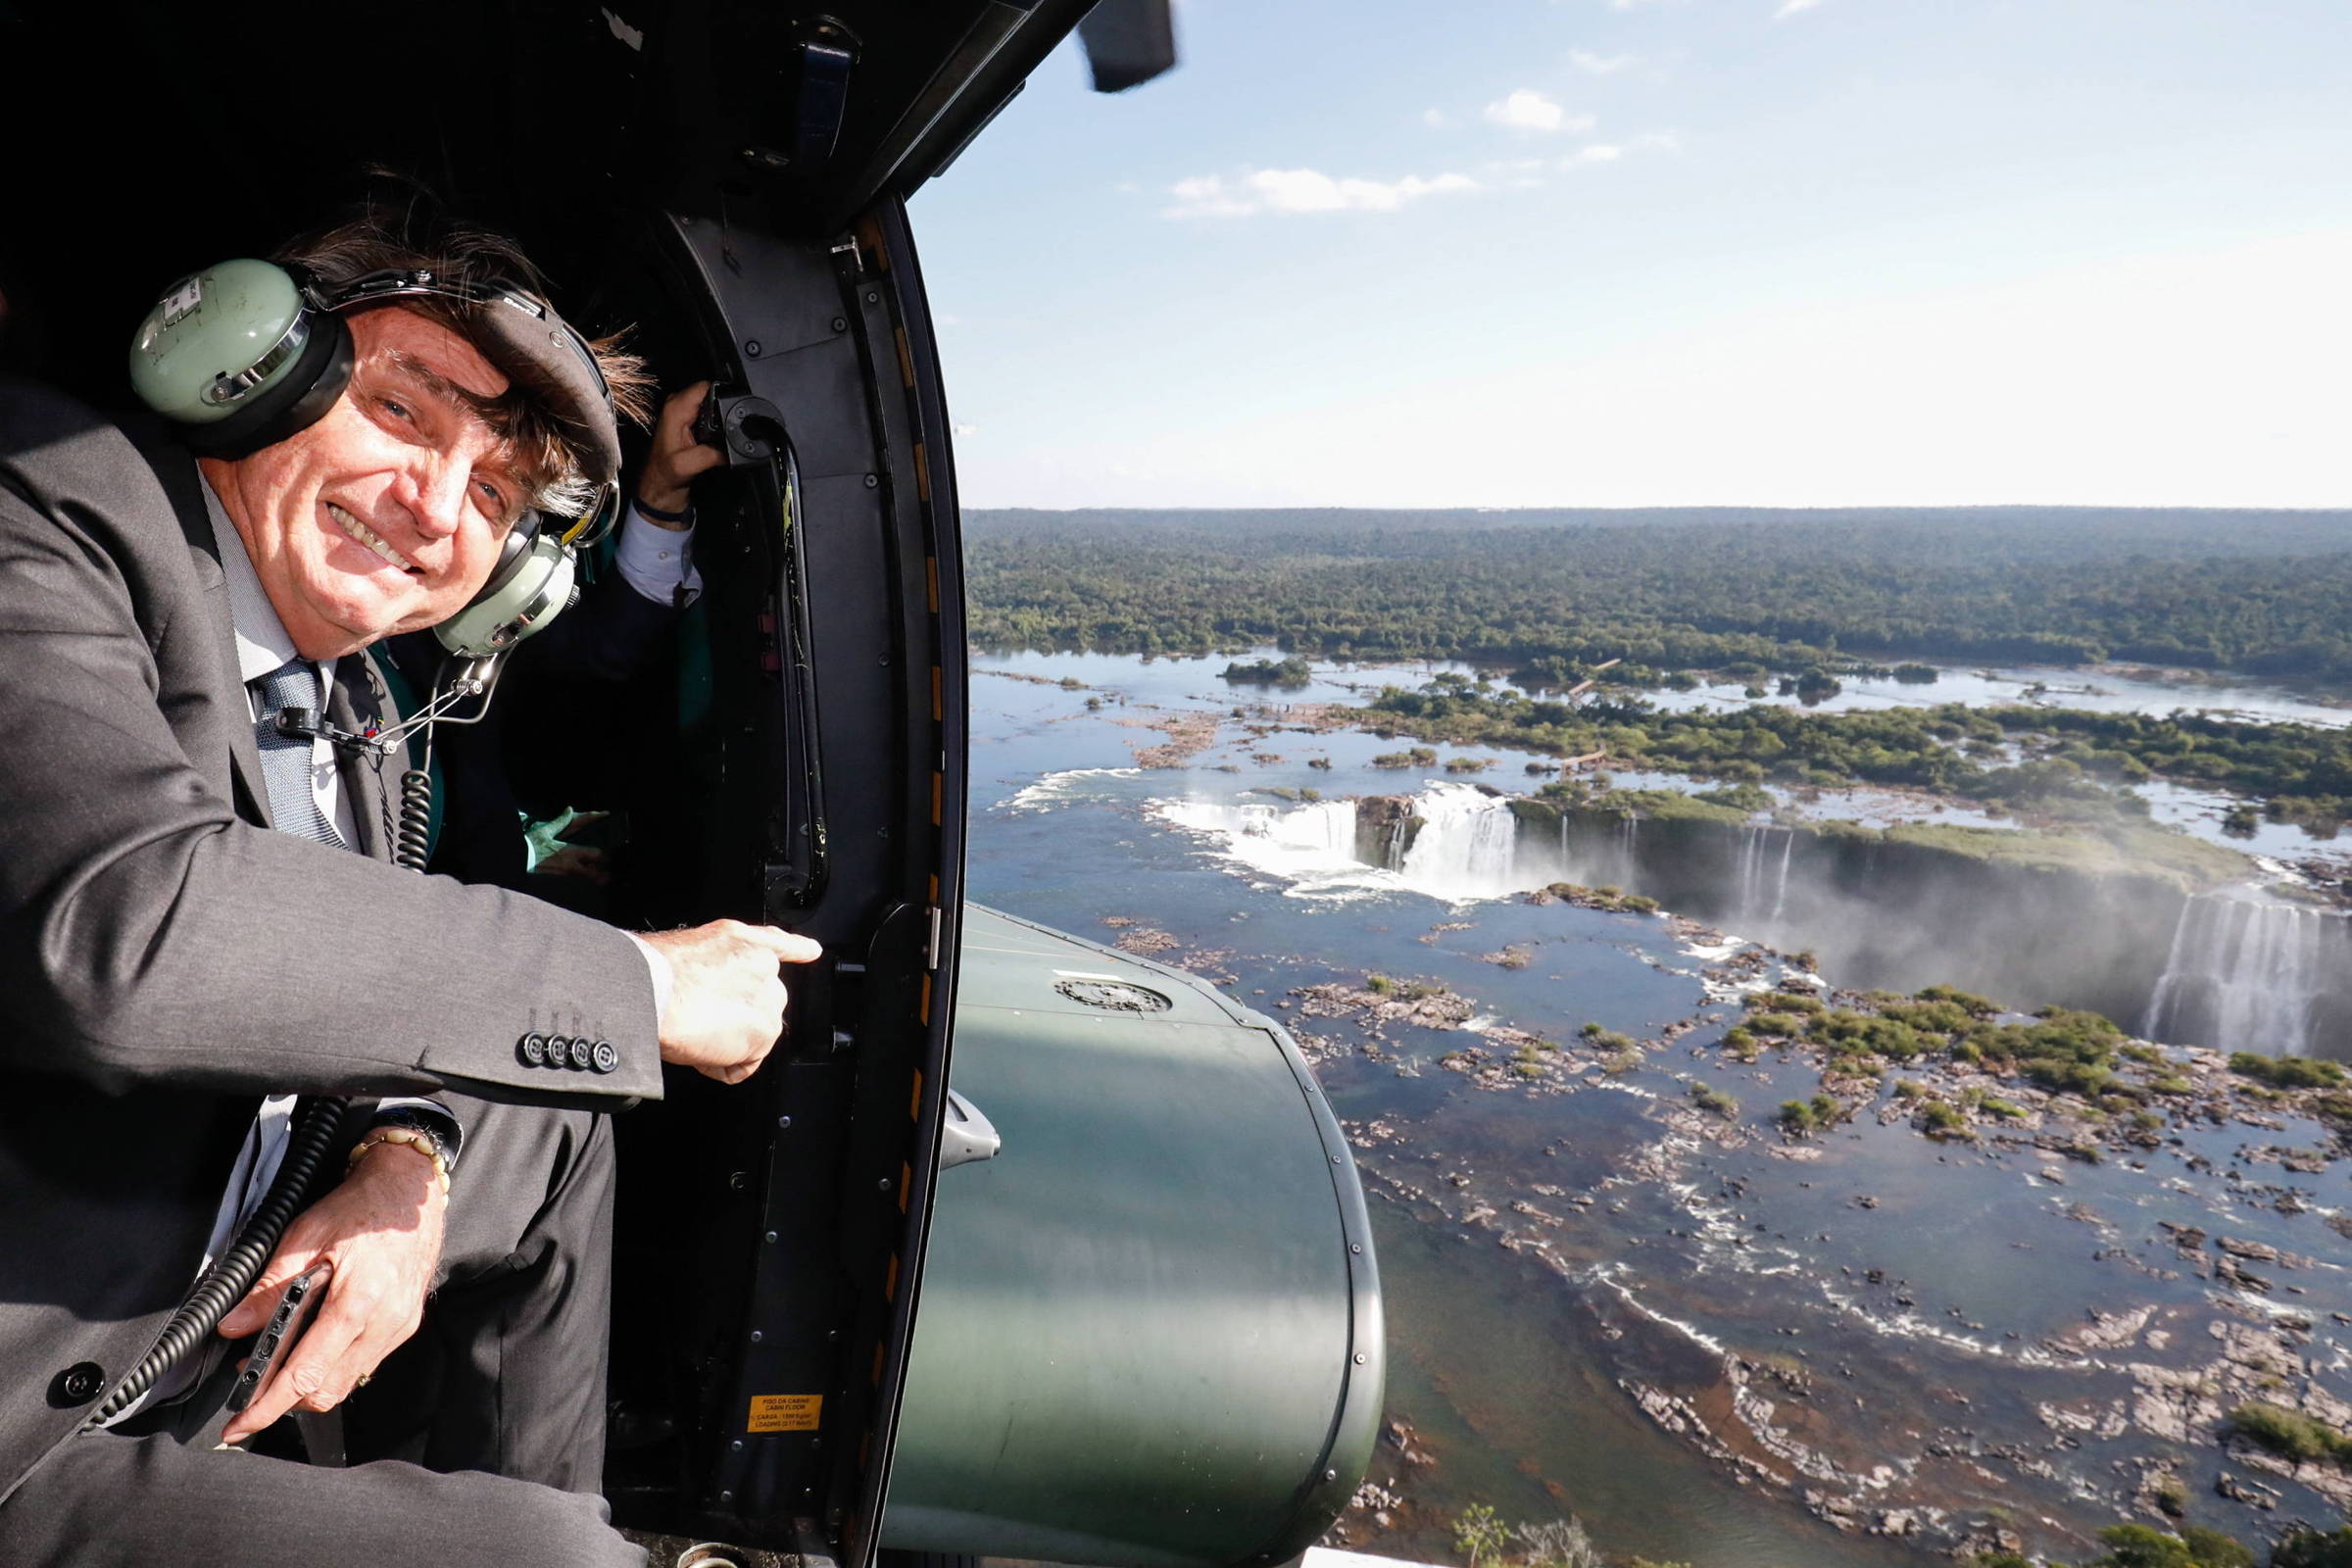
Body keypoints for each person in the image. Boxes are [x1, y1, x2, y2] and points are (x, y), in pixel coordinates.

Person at [0, 204, 809, 1566]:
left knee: (549, 1135)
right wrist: (638, 980)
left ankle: (537, 1511)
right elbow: (118, 930)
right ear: (247, 366)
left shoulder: (363, 712)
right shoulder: (47, 508)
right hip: (33, 1412)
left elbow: (337, 962)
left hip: (206, 1266)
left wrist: (405, 1151)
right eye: (402, 413)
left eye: (497, 496)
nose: (436, 510)